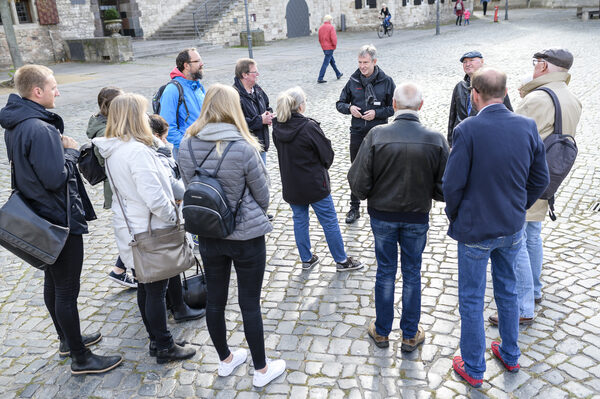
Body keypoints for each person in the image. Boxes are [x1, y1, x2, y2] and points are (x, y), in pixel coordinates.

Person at [0, 65, 122, 375]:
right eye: (54, 87)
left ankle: (68, 340)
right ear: (37, 91)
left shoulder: (19, 124)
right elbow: (55, 178)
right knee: (66, 290)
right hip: (58, 218)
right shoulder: (39, 129)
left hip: (41, 214)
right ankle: (81, 358)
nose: (59, 92)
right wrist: (68, 151)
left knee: (54, 283)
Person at [442, 67, 550, 388]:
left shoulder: (467, 130)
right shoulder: (527, 126)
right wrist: (519, 206)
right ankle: (510, 353)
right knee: (508, 289)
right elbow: (540, 178)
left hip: (475, 230)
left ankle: (474, 367)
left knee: (473, 299)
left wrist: (456, 216)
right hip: (512, 226)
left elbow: (451, 185)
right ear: (504, 93)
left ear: (474, 94)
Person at [178, 84, 286, 388]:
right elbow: (262, 196)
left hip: (210, 232)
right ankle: (261, 370)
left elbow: (192, 186)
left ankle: (225, 360)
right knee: (249, 303)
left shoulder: (186, 145)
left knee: (215, 300)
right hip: (246, 236)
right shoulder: (243, 147)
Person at [94, 93, 196, 364]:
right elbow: (154, 197)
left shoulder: (117, 148)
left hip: (135, 226)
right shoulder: (136, 152)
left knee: (146, 287)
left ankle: (158, 339)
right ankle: (163, 344)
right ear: (134, 116)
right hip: (150, 229)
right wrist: (173, 216)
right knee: (154, 290)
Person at [348, 83, 449, 351]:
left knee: (385, 271)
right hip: (416, 216)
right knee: (412, 272)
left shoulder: (376, 135)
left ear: (393, 105)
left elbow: (357, 181)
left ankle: (382, 332)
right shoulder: (436, 139)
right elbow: (445, 186)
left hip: (383, 215)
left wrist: (369, 194)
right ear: (421, 105)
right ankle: (409, 334)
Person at [488, 49, 582, 327]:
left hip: (523, 181)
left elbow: (511, 140)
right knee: (532, 235)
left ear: (543, 66)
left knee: (516, 244)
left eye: (536, 63)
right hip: (548, 177)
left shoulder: (538, 98)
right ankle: (536, 290)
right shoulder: (571, 97)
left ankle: (523, 307)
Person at [272, 87, 362, 272]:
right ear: (300, 106)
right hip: (314, 184)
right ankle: (342, 260)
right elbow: (327, 154)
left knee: (300, 220)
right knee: (329, 221)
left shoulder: (277, 126)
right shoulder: (308, 127)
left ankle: (306, 258)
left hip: (292, 183)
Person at [148, 114, 206, 323]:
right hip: (164, 219)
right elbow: (174, 186)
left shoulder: (160, 153)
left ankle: (176, 304)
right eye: (164, 137)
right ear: (156, 136)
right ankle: (176, 308)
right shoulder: (157, 156)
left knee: (168, 270)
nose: (167, 141)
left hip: (162, 218)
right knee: (166, 271)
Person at [336, 44, 396, 224]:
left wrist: (376, 113)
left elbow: (394, 108)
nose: (362, 66)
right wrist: (349, 108)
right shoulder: (353, 81)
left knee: (379, 169)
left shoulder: (387, 81)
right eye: (360, 62)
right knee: (355, 169)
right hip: (357, 132)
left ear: (374, 62)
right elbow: (339, 103)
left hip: (379, 133)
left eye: (366, 62)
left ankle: (379, 206)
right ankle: (354, 207)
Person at [86, 86, 138, 288]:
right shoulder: (104, 130)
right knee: (132, 230)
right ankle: (121, 270)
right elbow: (108, 162)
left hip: (121, 184)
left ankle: (120, 270)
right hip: (119, 186)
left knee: (133, 229)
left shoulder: (110, 123)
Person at [447, 50, 513, 147]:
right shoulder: (460, 86)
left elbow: (508, 111)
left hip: (486, 138)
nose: (467, 64)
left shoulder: (493, 83)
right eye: (464, 62)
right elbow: (453, 115)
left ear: (482, 61)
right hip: (463, 137)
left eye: (471, 60)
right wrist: (451, 143)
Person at [159, 48, 206, 159]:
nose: (202, 64)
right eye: (197, 61)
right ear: (186, 65)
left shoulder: (198, 86)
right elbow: (167, 127)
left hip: (204, 148)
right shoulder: (172, 90)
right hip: (187, 153)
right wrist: (188, 146)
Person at [233, 58, 273, 165]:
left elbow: (267, 105)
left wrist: (268, 114)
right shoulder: (234, 95)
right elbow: (238, 123)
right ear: (245, 75)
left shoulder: (257, 89)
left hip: (261, 145)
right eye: (255, 72)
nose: (258, 74)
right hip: (247, 150)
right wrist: (260, 120)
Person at [317, 15, 343, 84]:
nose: (331, 21)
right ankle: (320, 77)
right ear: (329, 20)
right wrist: (334, 46)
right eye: (331, 20)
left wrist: (323, 46)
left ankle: (338, 73)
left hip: (324, 48)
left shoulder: (321, 28)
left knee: (332, 61)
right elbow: (333, 38)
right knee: (326, 63)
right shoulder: (331, 27)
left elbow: (319, 39)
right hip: (330, 47)